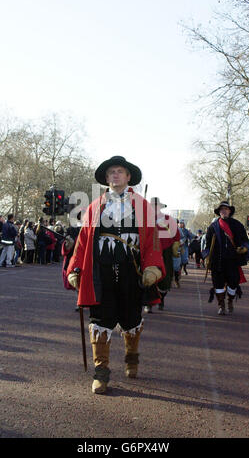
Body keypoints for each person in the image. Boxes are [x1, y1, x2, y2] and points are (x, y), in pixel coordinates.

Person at [67, 156, 165, 394]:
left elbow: (152, 241)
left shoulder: (142, 206)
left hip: (132, 272)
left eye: (120, 171)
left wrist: (153, 267)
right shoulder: (93, 207)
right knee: (100, 319)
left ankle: (132, 358)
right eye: (111, 172)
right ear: (106, 178)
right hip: (101, 272)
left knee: (132, 318)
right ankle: (101, 373)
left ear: (128, 177)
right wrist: (75, 268)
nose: (115, 175)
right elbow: (83, 242)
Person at [203, 201, 249, 315]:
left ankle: (230, 301)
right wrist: (206, 256)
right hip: (217, 261)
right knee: (218, 284)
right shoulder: (213, 227)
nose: (224, 211)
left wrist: (244, 248)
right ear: (219, 212)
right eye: (222, 209)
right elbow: (207, 245)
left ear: (230, 211)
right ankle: (221, 305)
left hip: (233, 261)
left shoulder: (237, 225)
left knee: (233, 283)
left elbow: (245, 240)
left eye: (226, 209)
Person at [144, 197, 177, 312]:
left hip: (165, 251)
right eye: (152, 206)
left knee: (165, 277)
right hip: (150, 251)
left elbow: (176, 235)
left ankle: (161, 299)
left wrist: (175, 245)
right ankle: (149, 303)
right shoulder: (145, 219)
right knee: (149, 276)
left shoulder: (168, 219)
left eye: (156, 206)